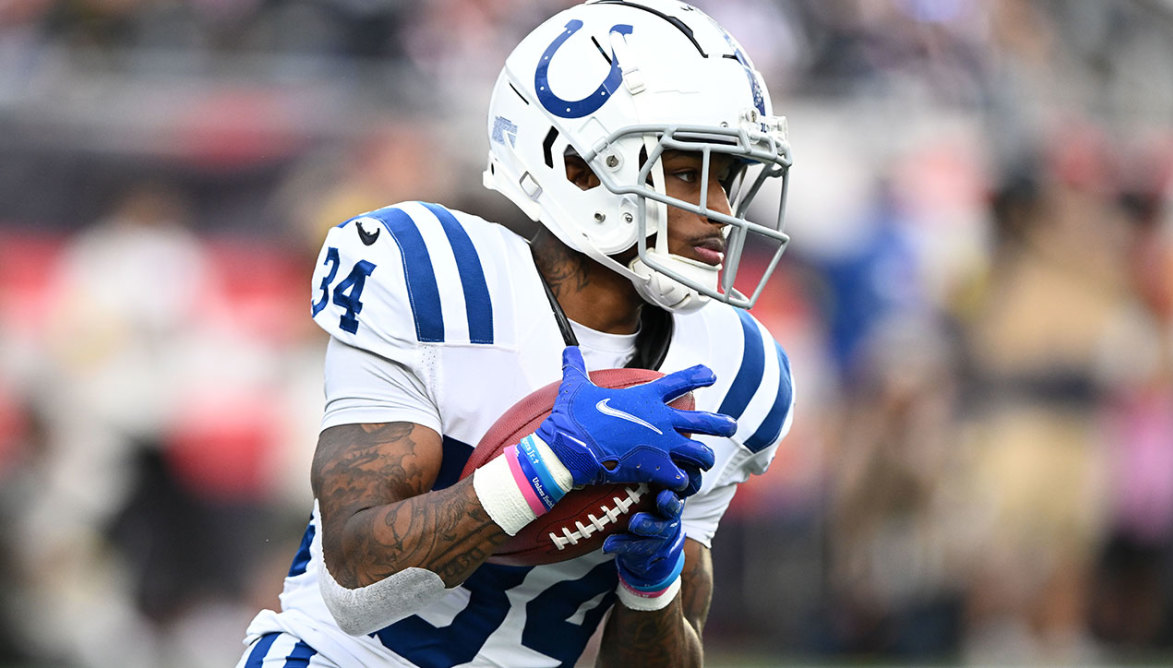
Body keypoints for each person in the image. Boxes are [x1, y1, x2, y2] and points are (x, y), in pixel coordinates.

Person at [237, 1, 795, 665]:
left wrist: (653, 585)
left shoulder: (736, 365)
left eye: (728, 183)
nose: (722, 217)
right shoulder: (432, 274)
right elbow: (356, 588)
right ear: (578, 165)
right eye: (687, 174)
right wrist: (549, 463)